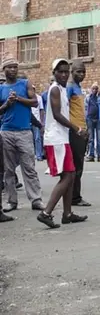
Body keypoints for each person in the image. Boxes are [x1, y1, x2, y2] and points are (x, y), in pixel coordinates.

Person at [37, 59, 88, 229]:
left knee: (71, 175)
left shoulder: (63, 89)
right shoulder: (55, 90)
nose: (64, 74)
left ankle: (67, 214)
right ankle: (46, 212)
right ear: (54, 73)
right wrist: (77, 129)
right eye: (61, 72)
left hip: (62, 137)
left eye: (66, 71)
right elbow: (58, 115)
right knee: (67, 176)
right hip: (56, 139)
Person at [0, 56, 46, 211]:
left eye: (15, 67)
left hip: (24, 132)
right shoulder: (1, 89)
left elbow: (34, 102)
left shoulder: (25, 84)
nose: (13, 70)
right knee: (9, 169)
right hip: (6, 132)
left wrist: (18, 99)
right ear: (4, 70)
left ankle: (36, 199)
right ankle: (12, 201)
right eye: (9, 67)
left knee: (29, 167)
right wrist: (7, 103)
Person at [67, 61, 92, 207]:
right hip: (75, 131)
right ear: (72, 71)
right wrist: (77, 129)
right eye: (78, 72)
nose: (81, 74)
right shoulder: (70, 87)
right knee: (76, 166)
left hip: (81, 129)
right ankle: (74, 198)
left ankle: (74, 196)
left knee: (78, 165)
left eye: (83, 72)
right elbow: (66, 110)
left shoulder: (77, 87)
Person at [85, 83, 100, 162]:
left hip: (98, 120)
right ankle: (91, 155)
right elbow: (85, 107)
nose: (94, 90)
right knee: (91, 139)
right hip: (90, 119)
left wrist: (99, 97)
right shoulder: (88, 97)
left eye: (96, 89)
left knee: (99, 139)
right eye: (93, 89)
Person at [31, 84, 45, 161]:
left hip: (37, 120)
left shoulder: (39, 98)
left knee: (37, 138)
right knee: (30, 139)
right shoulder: (26, 97)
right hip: (28, 121)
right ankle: (33, 155)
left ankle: (39, 155)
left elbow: (41, 110)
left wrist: (42, 122)